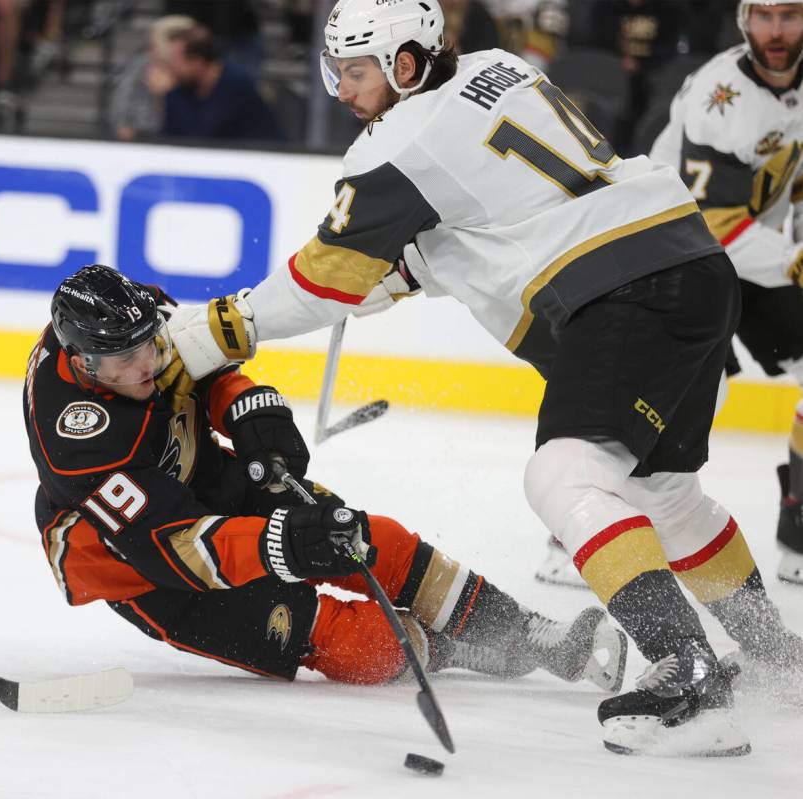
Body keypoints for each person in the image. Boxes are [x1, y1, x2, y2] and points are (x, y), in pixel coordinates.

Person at [161, 0, 803, 756]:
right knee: (662, 494)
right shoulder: (496, 71)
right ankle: (776, 659)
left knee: (564, 477)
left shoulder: (399, 142)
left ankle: (689, 680)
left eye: (357, 71)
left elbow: (324, 279)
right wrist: (366, 272)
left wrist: (208, 333)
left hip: (619, 291)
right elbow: (451, 242)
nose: (341, 89)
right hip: (688, 265)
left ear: (404, 66)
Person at [23, 264, 626, 695]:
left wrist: (247, 405)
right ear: (83, 362)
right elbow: (175, 549)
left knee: (364, 538)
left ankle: (534, 635)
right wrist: (277, 544)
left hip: (194, 472)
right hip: (133, 564)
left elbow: (196, 364)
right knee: (356, 639)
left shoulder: (135, 321)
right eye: (126, 361)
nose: (147, 362)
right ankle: (452, 647)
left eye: (146, 345)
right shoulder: (80, 439)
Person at [650, 0, 803, 586]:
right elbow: (714, 224)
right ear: (742, 21)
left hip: (751, 250)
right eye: (762, 15)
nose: (775, 31)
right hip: (677, 250)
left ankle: (797, 537)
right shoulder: (723, 94)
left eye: (789, 15)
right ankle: (579, 531)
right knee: (686, 396)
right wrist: (794, 260)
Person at [160, 24, 280, 142]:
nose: (170, 67)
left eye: (175, 61)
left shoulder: (236, 84)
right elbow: (169, 137)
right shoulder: (184, 87)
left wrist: (169, 93)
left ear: (197, 61)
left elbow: (202, 137)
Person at [109, 14, 196, 142]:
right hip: (144, 139)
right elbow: (124, 112)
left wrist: (167, 95)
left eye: (154, 45)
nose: (151, 51)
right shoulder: (142, 68)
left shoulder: (195, 72)